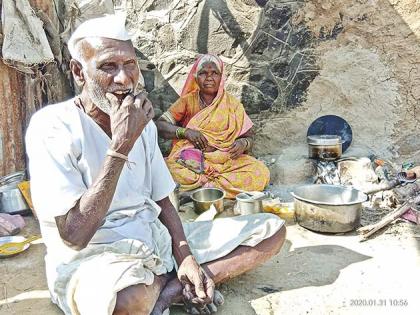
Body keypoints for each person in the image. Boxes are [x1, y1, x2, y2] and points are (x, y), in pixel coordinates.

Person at [25, 15, 286, 315]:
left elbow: (163, 199)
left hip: (154, 240)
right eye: (108, 66)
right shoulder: (52, 126)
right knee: (125, 302)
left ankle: (171, 289)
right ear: (78, 72)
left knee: (271, 230)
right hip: (94, 257)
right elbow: (74, 236)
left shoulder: (143, 123)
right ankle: (177, 286)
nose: (124, 79)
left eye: (130, 65)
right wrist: (121, 144)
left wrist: (184, 254)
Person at [156, 54, 270, 199]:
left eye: (214, 73)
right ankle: (216, 189)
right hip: (193, 162)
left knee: (260, 171)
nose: (209, 77)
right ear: (196, 78)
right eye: (203, 73)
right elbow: (160, 125)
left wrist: (243, 143)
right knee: (166, 169)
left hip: (226, 162)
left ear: (221, 78)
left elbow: (249, 136)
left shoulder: (232, 104)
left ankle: (198, 190)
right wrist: (186, 132)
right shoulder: (187, 101)